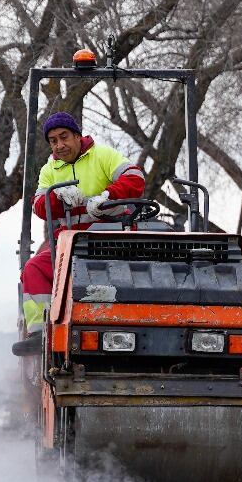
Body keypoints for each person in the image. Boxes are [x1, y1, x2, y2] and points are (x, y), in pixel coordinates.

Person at [19, 112, 146, 335]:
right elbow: (39, 206)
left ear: (78, 136)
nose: (59, 145)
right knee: (33, 269)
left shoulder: (103, 155)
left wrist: (108, 196)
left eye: (64, 136)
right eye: (53, 140)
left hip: (111, 241)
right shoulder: (49, 170)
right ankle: (41, 334)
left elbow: (135, 178)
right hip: (69, 246)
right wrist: (56, 197)